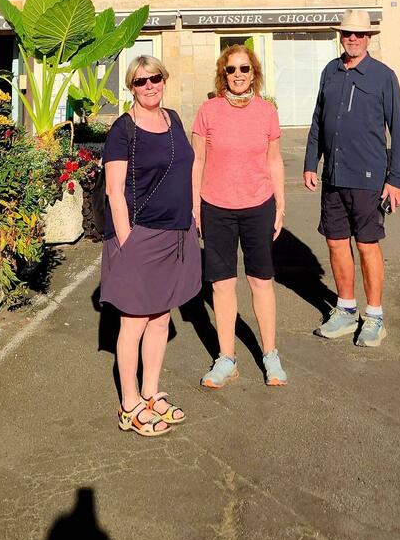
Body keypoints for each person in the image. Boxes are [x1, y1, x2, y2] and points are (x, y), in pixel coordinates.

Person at [101, 57, 201, 436]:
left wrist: (191, 216)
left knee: (160, 318)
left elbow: (186, 169)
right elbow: (114, 191)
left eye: (155, 78)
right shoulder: (123, 130)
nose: (149, 86)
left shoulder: (173, 119)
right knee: (135, 321)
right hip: (140, 236)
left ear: (164, 80)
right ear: (131, 86)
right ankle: (129, 405)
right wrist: (128, 244)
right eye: (141, 81)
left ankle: (151, 392)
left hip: (176, 233)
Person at [303, 9, 400, 348]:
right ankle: (346, 310)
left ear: (368, 39)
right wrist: (310, 163)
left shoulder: (383, 76)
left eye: (359, 34)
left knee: (366, 246)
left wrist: (396, 180)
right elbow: (318, 121)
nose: (352, 38)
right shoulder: (330, 72)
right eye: (347, 33)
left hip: (369, 177)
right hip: (334, 176)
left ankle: (374, 316)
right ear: (341, 35)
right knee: (335, 243)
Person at [191, 45, 287, 388]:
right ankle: (227, 358)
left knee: (261, 281)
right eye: (231, 69)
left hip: (258, 205)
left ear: (254, 73)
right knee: (222, 284)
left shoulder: (266, 113)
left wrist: (280, 205)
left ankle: (270, 355)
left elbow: (274, 160)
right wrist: (196, 207)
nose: (238, 75)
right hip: (216, 207)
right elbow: (197, 162)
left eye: (244, 69)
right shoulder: (208, 111)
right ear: (223, 73)